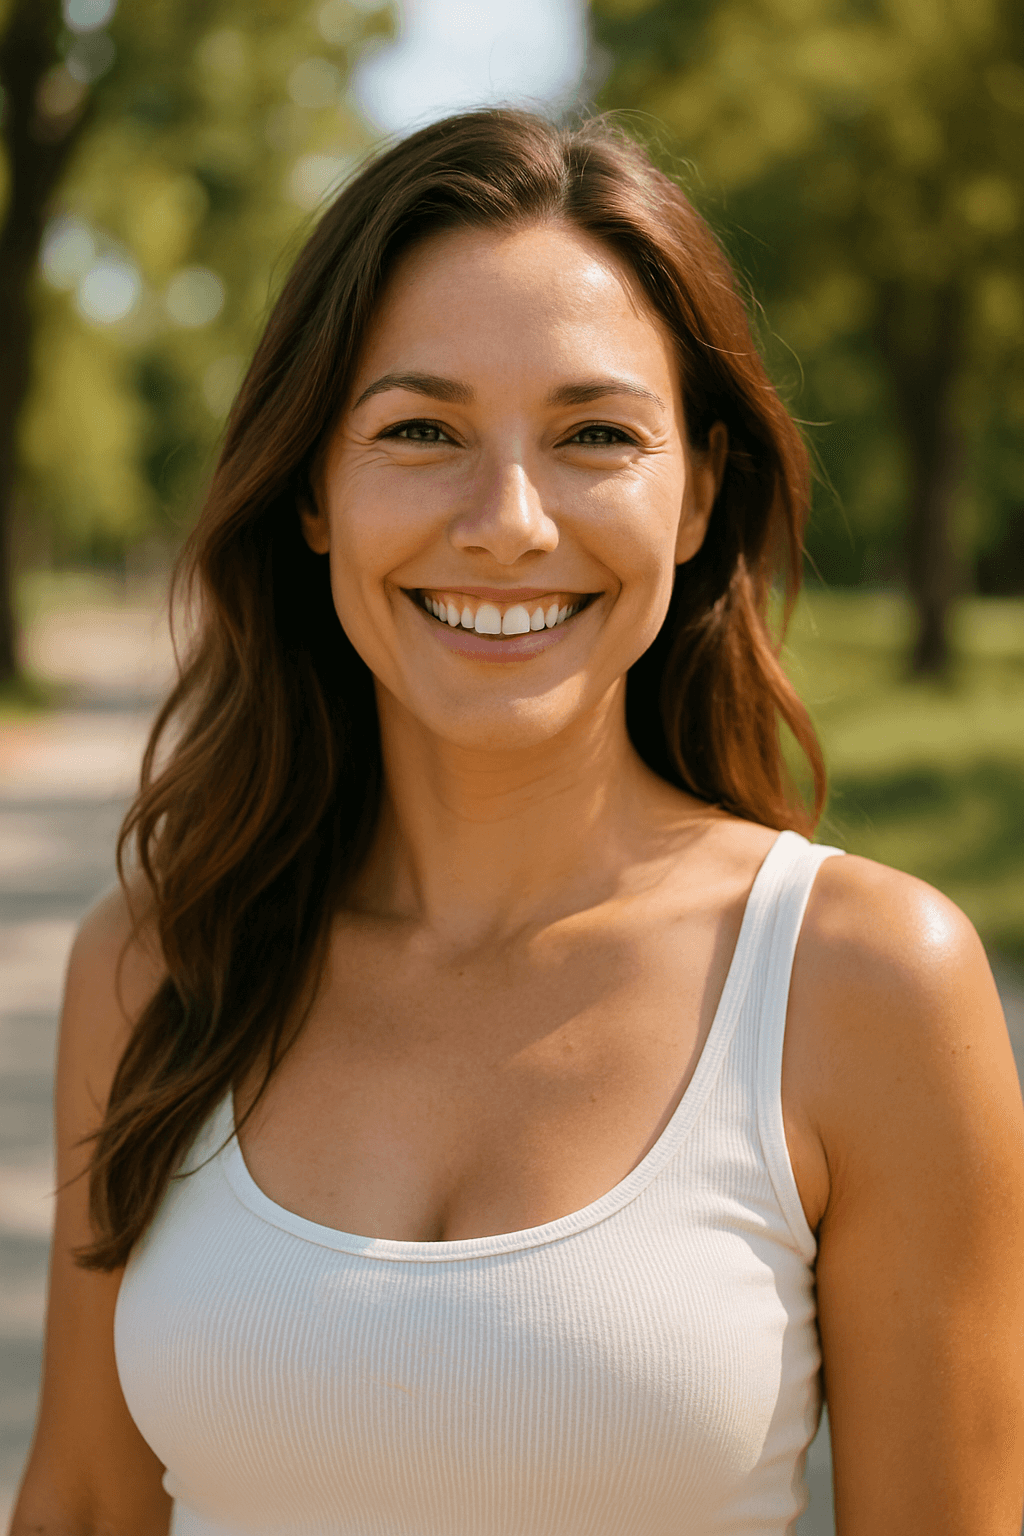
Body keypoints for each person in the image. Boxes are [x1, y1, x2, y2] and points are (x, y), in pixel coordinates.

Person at [11, 109, 1024, 1536]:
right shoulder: (161, 966)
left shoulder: (861, 986)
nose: (506, 521)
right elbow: (85, 1508)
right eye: (421, 430)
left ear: (697, 497)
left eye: (595, 435)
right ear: (313, 487)